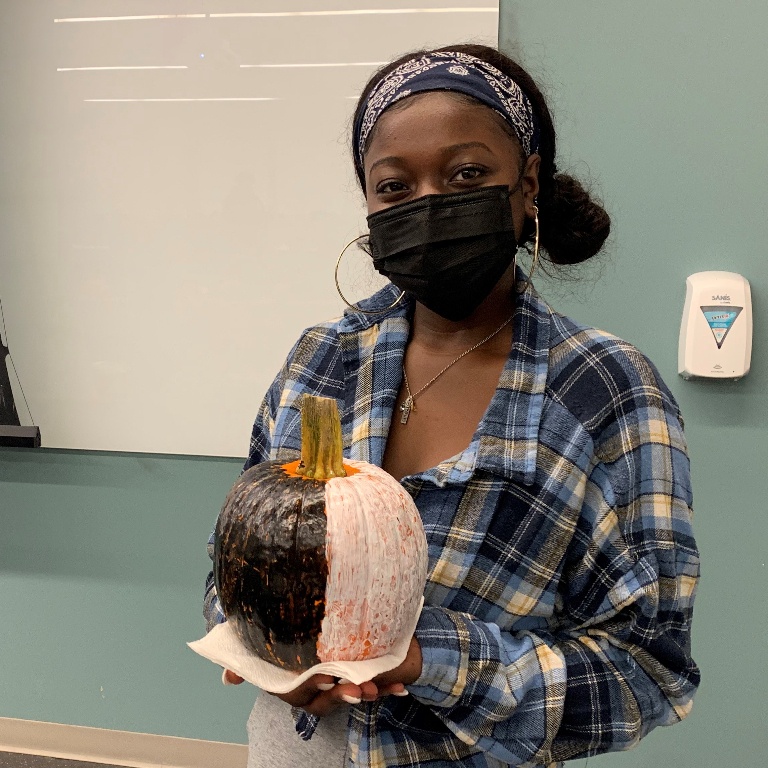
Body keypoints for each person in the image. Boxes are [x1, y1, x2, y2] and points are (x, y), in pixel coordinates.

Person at [203, 44, 700, 768]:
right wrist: (255, 642)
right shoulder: (321, 361)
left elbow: (647, 671)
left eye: (466, 173)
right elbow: (232, 559)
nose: (429, 202)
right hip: (294, 750)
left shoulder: (606, 392)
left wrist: (426, 658)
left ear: (527, 184)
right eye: (395, 187)